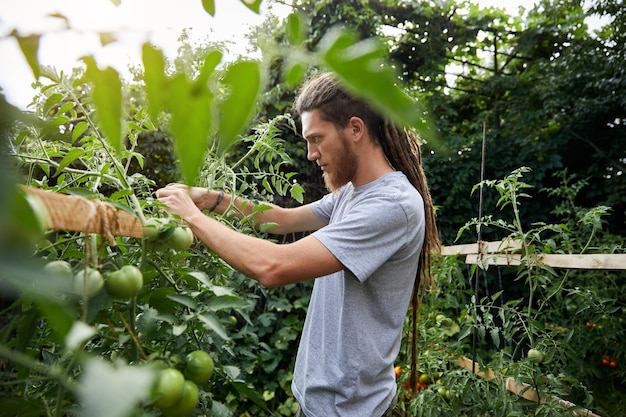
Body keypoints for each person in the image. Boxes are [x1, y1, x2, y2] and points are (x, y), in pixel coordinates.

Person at [156, 72, 440, 417]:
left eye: (316, 138)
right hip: (322, 400)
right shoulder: (352, 194)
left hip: (349, 409)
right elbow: (279, 219)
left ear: (355, 129)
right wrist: (207, 198)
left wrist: (193, 219)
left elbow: (274, 267)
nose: (310, 154)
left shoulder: (391, 205)